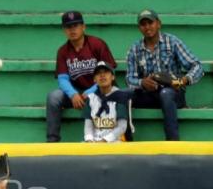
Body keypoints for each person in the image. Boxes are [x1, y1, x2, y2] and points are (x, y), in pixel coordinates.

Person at [126, 9, 204, 140]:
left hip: (173, 93)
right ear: (139, 28)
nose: (147, 27)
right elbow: (129, 78)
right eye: (143, 24)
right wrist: (142, 83)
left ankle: (172, 143)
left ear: (158, 24)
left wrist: (183, 80)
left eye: (150, 23)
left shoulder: (172, 42)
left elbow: (197, 66)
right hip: (149, 94)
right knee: (124, 96)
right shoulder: (134, 49)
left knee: (166, 94)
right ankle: (126, 141)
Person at [46, 11, 117, 142]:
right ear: (64, 30)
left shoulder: (97, 44)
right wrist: (73, 94)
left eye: (76, 25)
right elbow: (62, 78)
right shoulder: (63, 51)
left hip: (99, 91)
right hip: (77, 95)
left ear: (83, 27)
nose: (72, 30)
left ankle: (102, 139)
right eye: (68, 27)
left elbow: (110, 73)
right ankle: (52, 142)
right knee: (54, 96)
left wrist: (91, 92)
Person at [84, 61, 130, 142]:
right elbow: (88, 126)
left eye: (106, 72)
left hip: (115, 142)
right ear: (94, 79)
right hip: (94, 143)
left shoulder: (120, 96)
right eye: (98, 73)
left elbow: (122, 127)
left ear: (113, 77)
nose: (102, 75)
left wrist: (104, 140)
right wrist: (89, 140)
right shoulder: (91, 98)